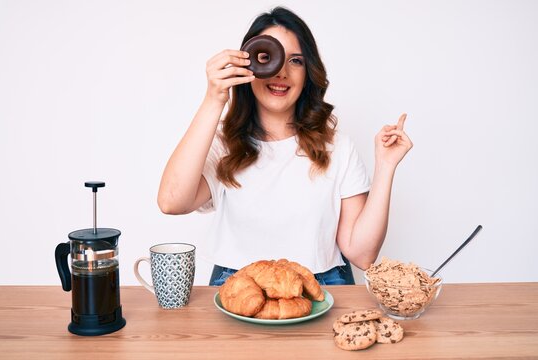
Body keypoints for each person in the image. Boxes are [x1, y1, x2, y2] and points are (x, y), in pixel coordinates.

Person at [157, 7, 412, 286]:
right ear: (249, 64)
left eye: (296, 61)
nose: (282, 73)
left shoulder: (336, 146)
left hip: (323, 286)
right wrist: (214, 98)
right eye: (268, 57)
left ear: (308, 73)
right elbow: (172, 202)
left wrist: (386, 166)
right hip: (238, 285)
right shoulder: (222, 144)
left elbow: (363, 255)